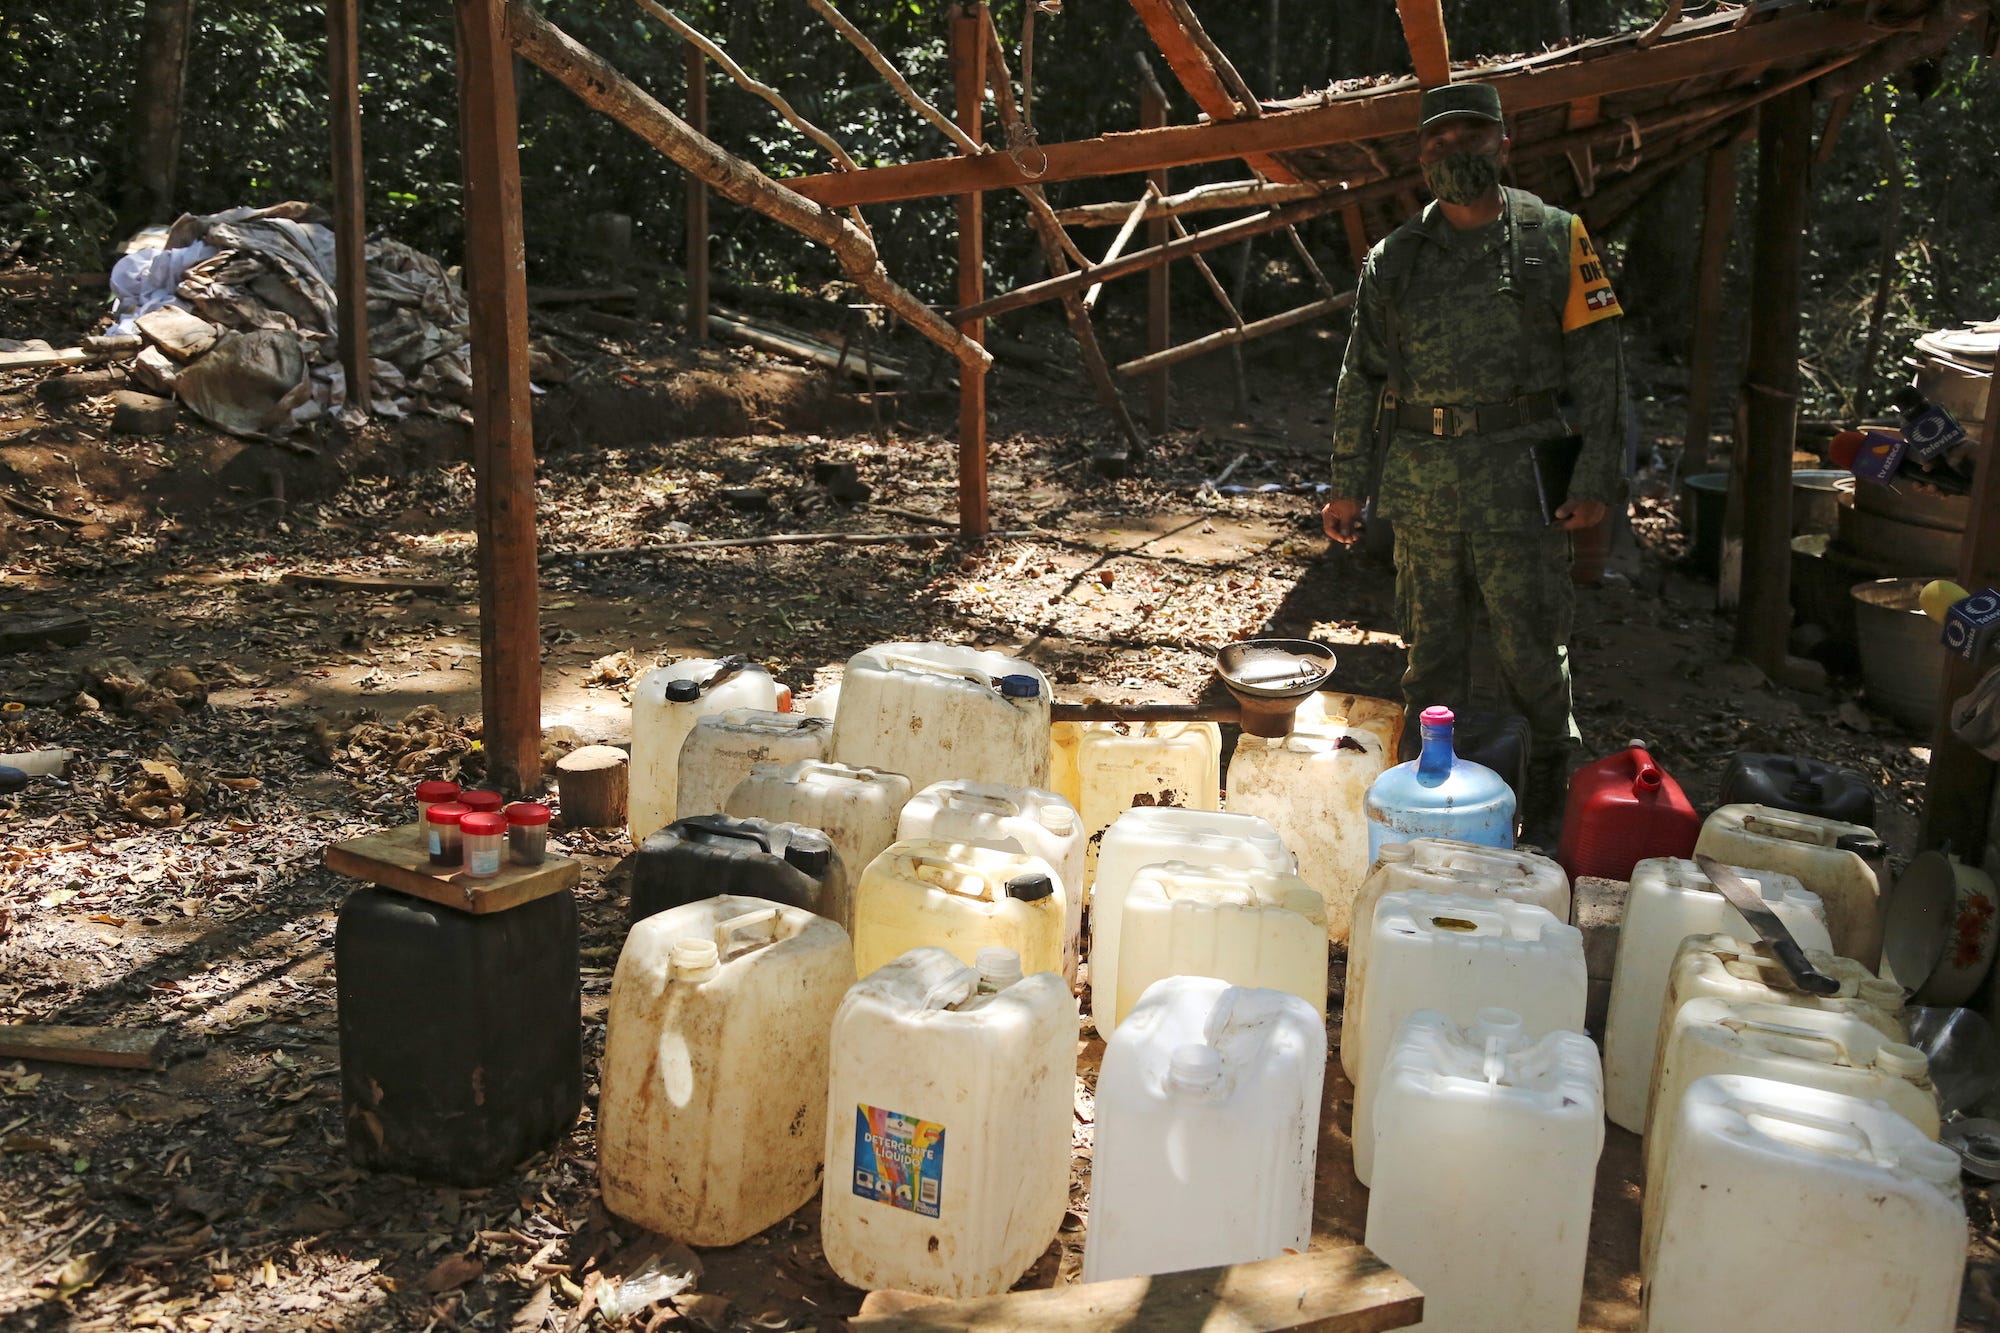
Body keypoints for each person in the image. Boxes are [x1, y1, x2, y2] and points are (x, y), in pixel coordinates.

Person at [1320, 81, 1625, 845]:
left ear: (1504, 142)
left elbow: (1599, 366)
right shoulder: (1395, 260)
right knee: (1429, 654)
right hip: (1421, 485)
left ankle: (1553, 786)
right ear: (1422, 156)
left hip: (1520, 484)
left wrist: (1593, 478)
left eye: (1473, 136)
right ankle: (1432, 795)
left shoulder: (1555, 236)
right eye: (1440, 142)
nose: (1457, 152)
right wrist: (1348, 484)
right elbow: (1363, 376)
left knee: (1530, 648)